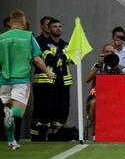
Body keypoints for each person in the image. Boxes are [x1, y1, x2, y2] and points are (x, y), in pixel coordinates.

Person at [1, 10, 55, 150]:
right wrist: (48, 72)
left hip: (4, 81)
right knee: (17, 111)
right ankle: (11, 113)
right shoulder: (28, 36)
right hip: (20, 79)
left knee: (8, 114)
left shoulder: (1, 37)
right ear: (24, 22)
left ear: (11, 22)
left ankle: (12, 141)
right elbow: (37, 59)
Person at [31, 19, 73, 141]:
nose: (58, 28)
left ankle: (55, 135)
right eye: (55, 26)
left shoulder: (66, 44)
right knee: (44, 110)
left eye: (60, 26)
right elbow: (50, 60)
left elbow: (73, 59)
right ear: (49, 29)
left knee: (62, 110)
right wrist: (64, 56)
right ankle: (38, 136)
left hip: (64, 82)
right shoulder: (41, 42)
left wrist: (61, 56)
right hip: (45, 81)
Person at [85, 44, 122, 139]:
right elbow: (87, 79)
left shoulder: (119, 66)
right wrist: (99, 65)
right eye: (107, 52)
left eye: (112, 52)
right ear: (102, 54)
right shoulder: (97, 66)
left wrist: (116, 68)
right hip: (98, 96)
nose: (109, 54)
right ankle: (96, 132)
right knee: (93, 103)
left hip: (115, 97)